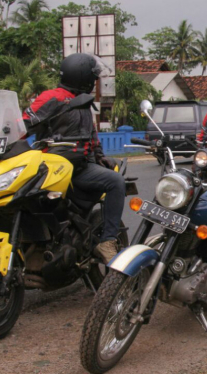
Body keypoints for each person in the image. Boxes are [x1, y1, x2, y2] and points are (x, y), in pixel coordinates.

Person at [22, 53, 125, 264]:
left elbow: (92, 137)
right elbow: (23, 125)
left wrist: (100, 157)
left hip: (80, 168)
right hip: (50, 168)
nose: (95, 83)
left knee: (116, 181)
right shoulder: (53, 97)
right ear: (83, 77)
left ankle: (108, 241)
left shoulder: (84, 103)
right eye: (93, 78)